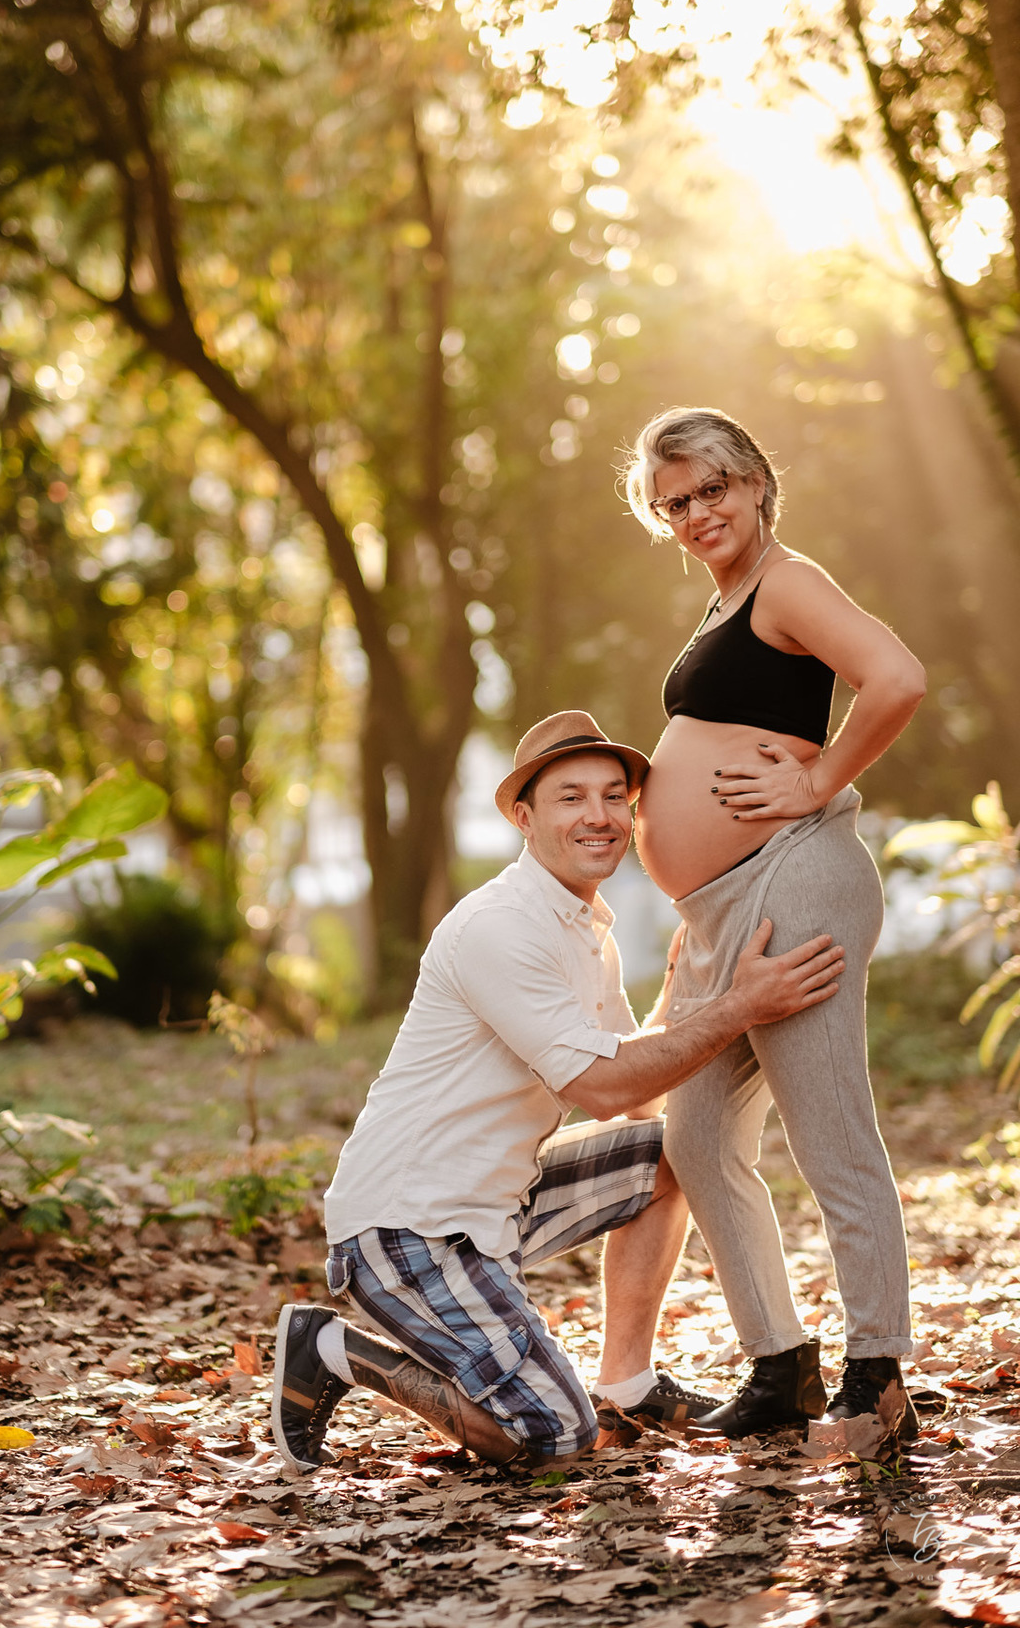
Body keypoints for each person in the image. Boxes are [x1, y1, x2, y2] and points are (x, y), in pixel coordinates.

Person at [270, 710, 846, 1475]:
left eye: (615, 796)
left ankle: (628, 1381)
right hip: (406, 1229)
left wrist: (685, 996)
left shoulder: (586, 930)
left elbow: (637, 1094)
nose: (600, 816)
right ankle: (334, 1351)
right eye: (571, 797)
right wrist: (736, 1007)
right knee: (553, 1439)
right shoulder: (498, 928)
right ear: (523, 816)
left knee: (677, 1151)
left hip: (496, 1206)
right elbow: (601, 1087)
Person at [622, 405, 926, 1440]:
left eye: (712, 488)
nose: (697, 512)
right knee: (698, 1136)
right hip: (724, 911)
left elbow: (897, 677)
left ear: (754, 481)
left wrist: (823, 779)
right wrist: (690, 898)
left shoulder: (789, 581)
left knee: (829, 1125)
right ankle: (781, 1366)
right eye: (674, 503)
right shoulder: (725, 603)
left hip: (795, 878)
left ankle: (878, 1373)